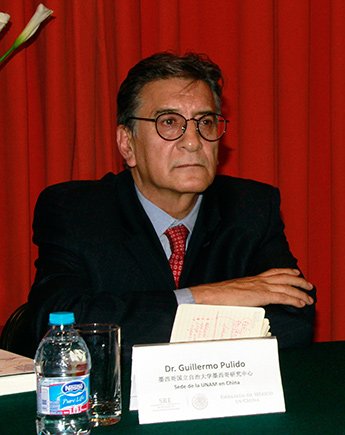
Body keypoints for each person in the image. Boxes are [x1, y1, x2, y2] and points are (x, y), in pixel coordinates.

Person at [27, 52, 316, 363]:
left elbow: (293, 318)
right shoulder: (77, 211)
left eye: (205, 122)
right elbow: (56, 325)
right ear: (127, 144)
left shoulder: (252, 207)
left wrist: (148, 320)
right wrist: (207, 298)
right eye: (169, 122)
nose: (192, 141)